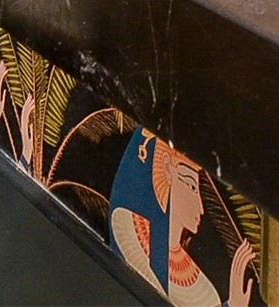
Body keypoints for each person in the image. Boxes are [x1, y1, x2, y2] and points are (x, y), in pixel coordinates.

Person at [108, 129, 258, 307]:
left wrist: (233, 303)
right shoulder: (128, 228)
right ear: (167, 170)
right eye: (191, 186)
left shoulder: (202, 286)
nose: (201, 208)